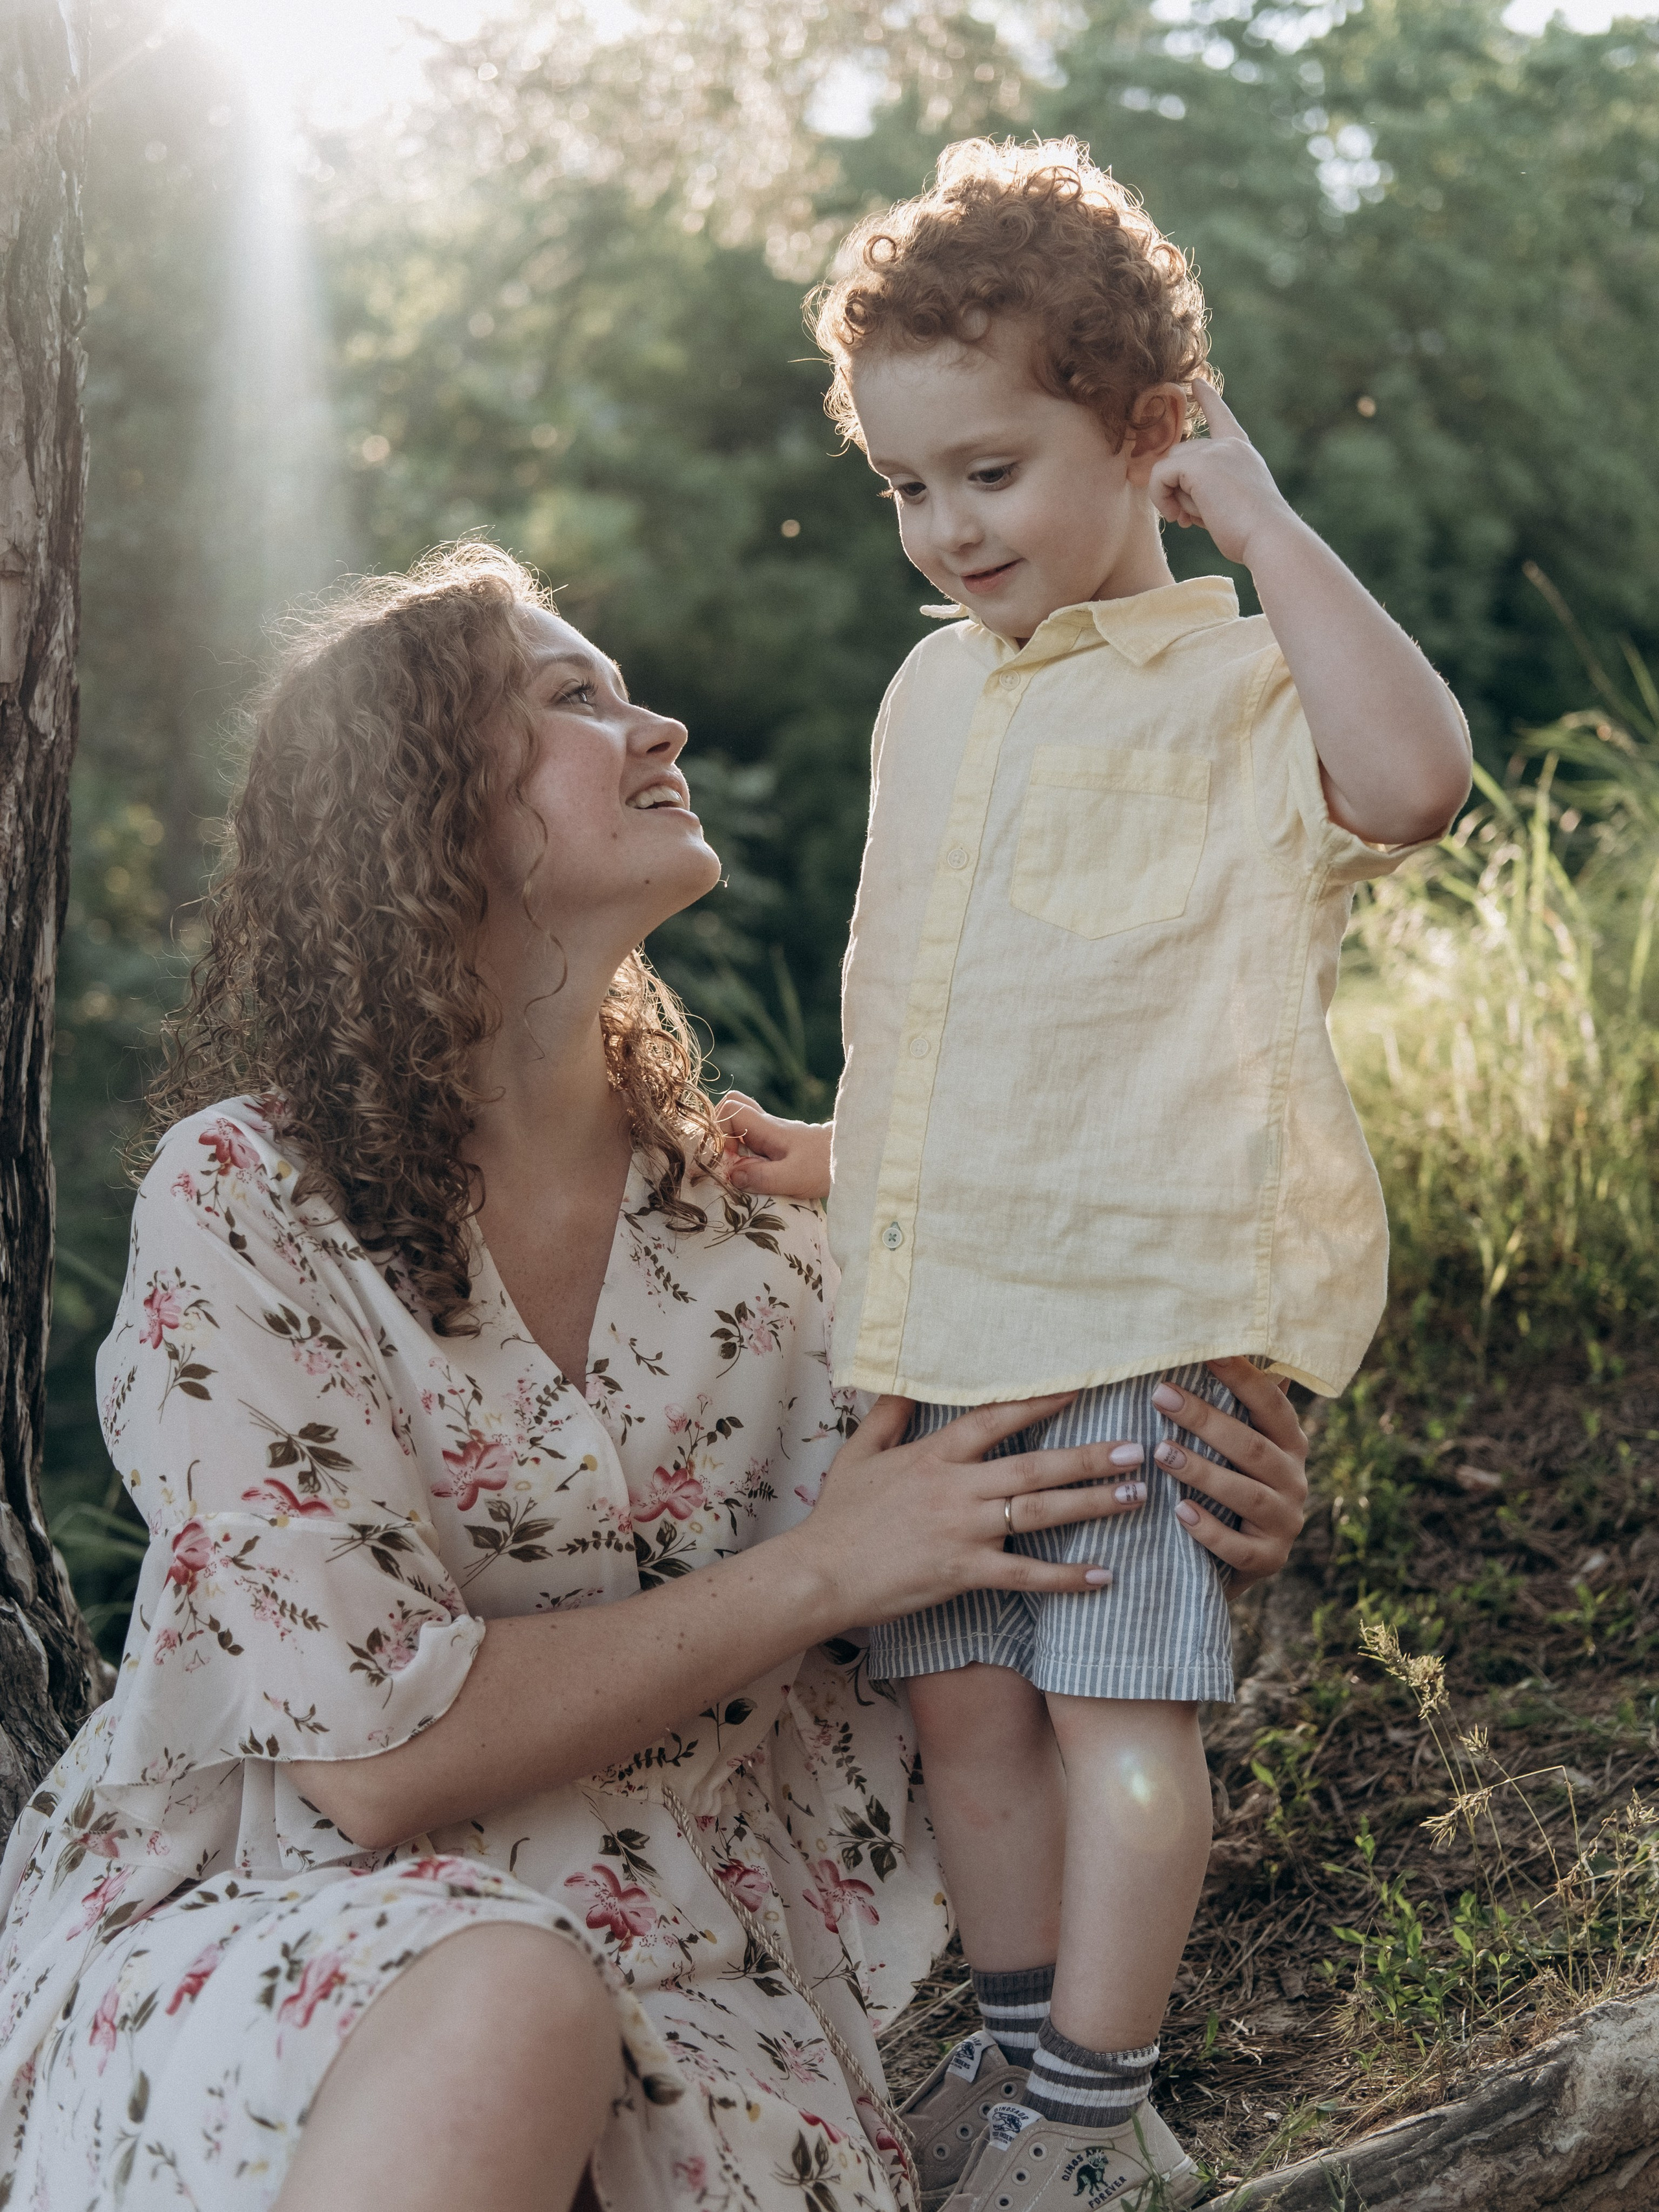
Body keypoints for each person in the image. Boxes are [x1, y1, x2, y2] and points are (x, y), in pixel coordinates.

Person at [0, 542, 1310, 2212]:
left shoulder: (766, 1231)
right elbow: (370, 1759)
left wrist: (1184, 1465)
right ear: (418, 810)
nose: (658, 725)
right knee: (504, 1998)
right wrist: (825, 1563)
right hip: (289, 1964)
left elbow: (995, 1555)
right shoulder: (247, 1199)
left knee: (561, 2011)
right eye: (574, 700)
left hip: (717, 2031)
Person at [719, 139, 1471, 2211]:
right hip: (948, 1324)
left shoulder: (1245, 689)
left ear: (1140, 437)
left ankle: (1096, 2117)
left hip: (1138, 1323)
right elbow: (998, 1035)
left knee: (1122, 1726)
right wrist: (841, 1159)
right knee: (967, 1716)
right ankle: (1039, 2057)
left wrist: (1241, 494)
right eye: (903, 486)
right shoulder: (927, 699)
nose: (943, 529)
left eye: (990, 470)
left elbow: (1414, 786)